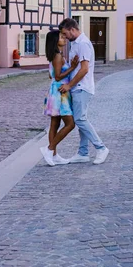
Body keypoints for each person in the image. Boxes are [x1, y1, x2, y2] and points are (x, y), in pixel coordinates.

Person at [58, 18, 109, 165]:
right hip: (77, 87)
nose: (65, 37)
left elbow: (84, 69)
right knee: (81, 119)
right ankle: (83, 152)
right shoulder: (76, 43)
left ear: (72, 30)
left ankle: (101, 148)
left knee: (80, 119)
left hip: (82, 87)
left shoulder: (83, 44)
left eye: (65, 33)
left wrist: (69, 85)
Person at [41, 30, 79, 167]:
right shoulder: (57, 56)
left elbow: (51, 76)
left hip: (55, 91)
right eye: (61, 37)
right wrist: (72, 67)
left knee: (55, 125)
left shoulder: (55, 55)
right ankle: (50, 149)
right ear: (55, 41)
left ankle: (54, 155)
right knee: (70, 124)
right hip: (60, 93)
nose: (64, 39)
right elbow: (57, 76)